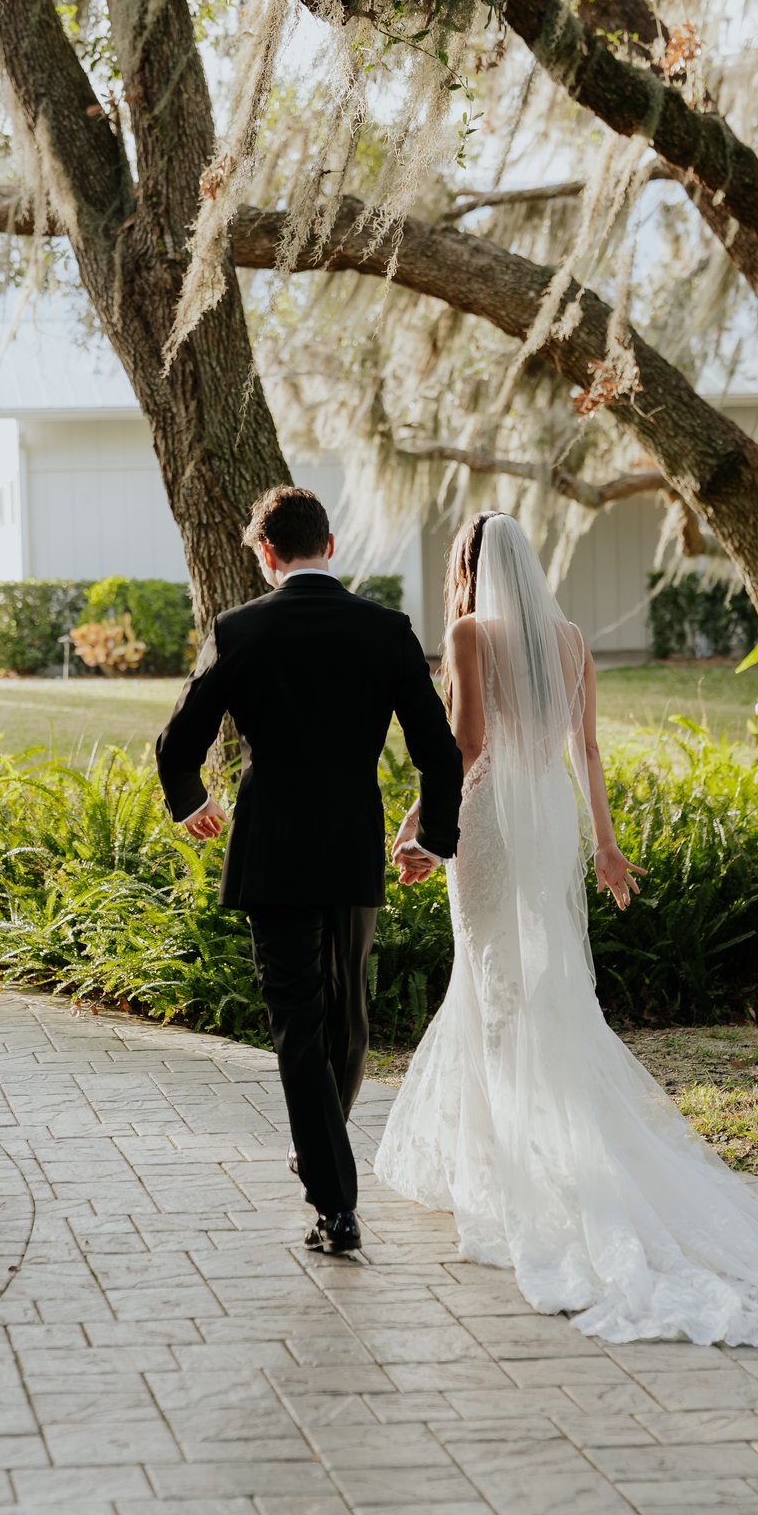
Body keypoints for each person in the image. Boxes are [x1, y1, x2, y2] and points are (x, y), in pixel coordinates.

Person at [380, 511, 758, 1346]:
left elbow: (466, 746)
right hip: (551, 820)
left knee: (490, 978)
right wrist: (607, 847)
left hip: (492, 820)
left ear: (470, 566)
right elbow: (587, 749)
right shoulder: (571, 638)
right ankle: (520, 1153)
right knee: (535, 982)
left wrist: (421, 826)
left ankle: (517, 1174)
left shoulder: (468, 633)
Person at [157, 486, 463, 1257]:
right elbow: (439, 749)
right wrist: (437, 837)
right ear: (330, 544)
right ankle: (331, 1174)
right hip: (351, 842)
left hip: (273, 848)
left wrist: (190, 800)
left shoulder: (240, 629)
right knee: (347, 1008)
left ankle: (331, 1192)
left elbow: (177, 739)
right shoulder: (386, 630)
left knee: (301, 1016)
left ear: (267, 555)